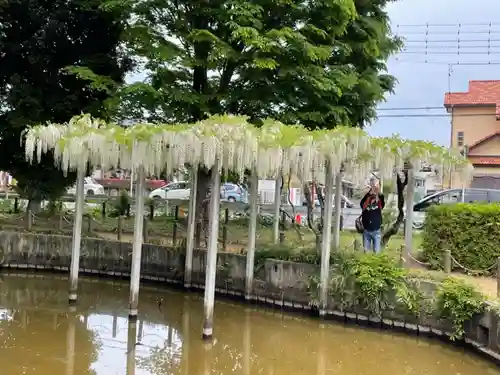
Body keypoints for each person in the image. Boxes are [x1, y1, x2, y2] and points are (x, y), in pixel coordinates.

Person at [360, 178, 385, 253]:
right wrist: (369, 195)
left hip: (376, 230)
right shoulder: (366, 198)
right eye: (373, 186)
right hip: (366, 230)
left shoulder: (380, 197)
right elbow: (363, 207)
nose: (374, 188)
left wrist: (377, 193)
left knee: (377, 253)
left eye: (376, 186)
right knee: (366, 252)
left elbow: (381, 206)